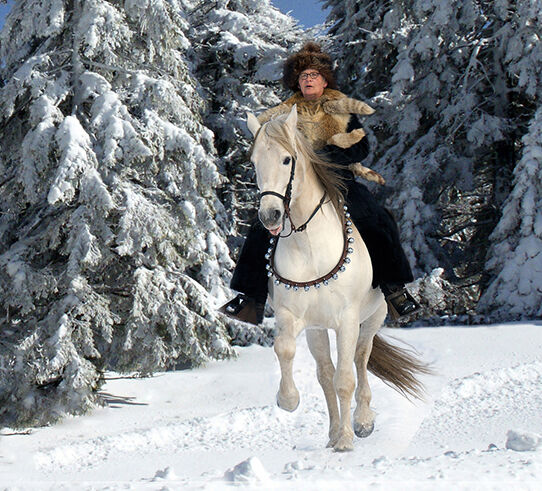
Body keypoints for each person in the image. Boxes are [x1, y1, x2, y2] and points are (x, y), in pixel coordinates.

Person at [219, 42, 420, 325]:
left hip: (338, 180)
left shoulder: (341, 110)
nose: (308, 80)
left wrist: (328, 154)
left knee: (376, 217)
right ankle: (250, 298)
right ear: (296, 82)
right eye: (303, 76)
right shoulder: (283, 115)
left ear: (325, 80)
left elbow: (361, 147)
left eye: (314, 75)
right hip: (296, 186)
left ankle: (393, 289)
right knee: (259, 226)